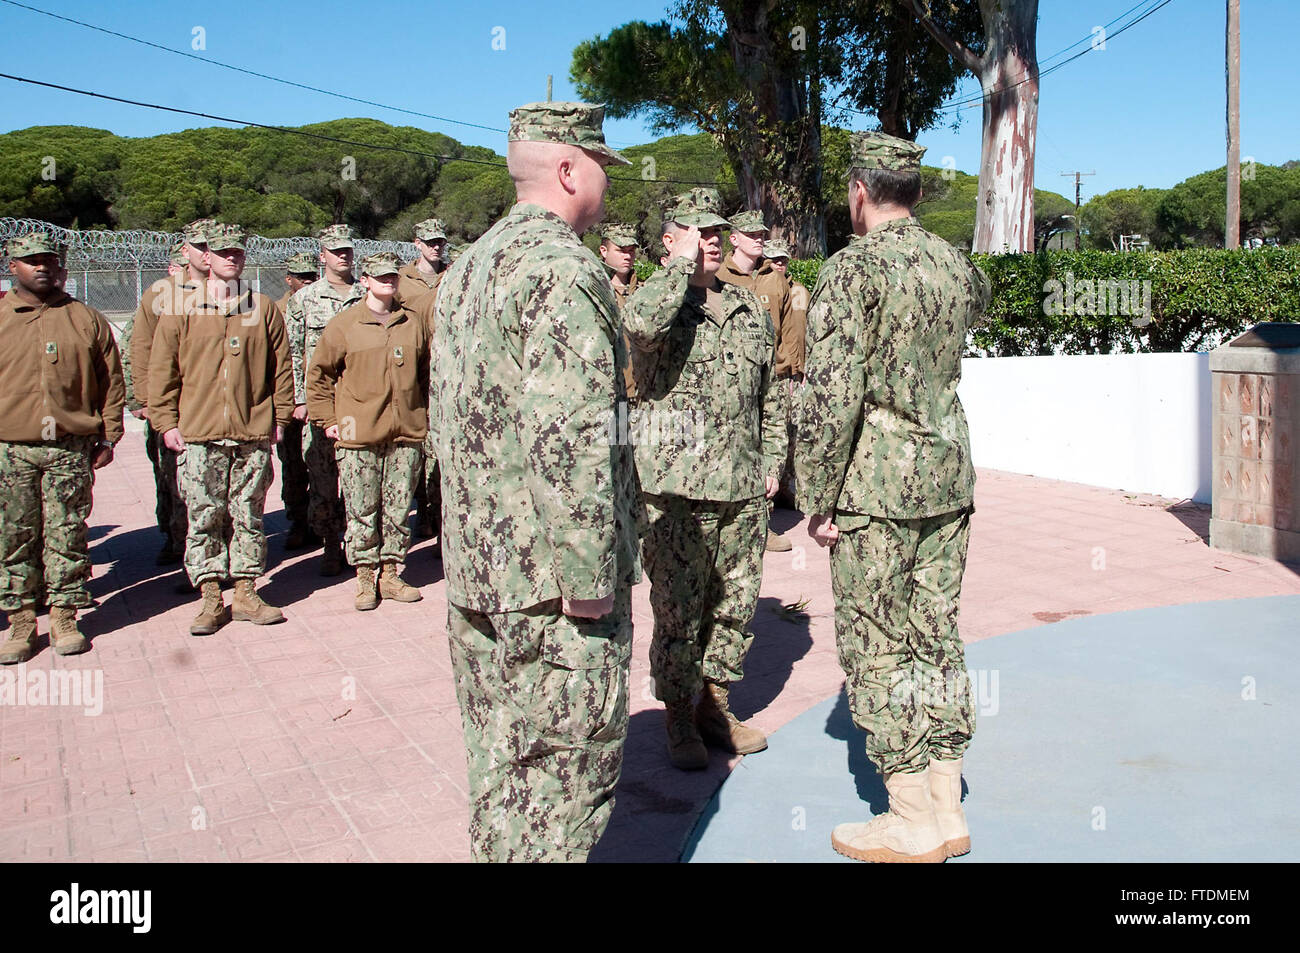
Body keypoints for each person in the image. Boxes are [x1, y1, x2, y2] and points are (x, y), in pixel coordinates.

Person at [434, 101, 641, 862]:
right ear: (567, 169)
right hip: (554, 586)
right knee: (565, 776)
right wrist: (589, 575)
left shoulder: (468, 268)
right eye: (599, 170)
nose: (606, 187)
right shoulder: (563, 268)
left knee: (500, 765)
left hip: (478, 571)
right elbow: (575, 439)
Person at [796, 131, 991, 863]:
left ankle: (908, 815)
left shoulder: (851, 271)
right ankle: (947, 803)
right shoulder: (955, 265)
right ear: (913, 191)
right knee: (936, 633)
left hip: (877, 487)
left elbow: (831, 397)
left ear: (858, 191)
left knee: (878, 645)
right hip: (948, 476)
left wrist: (816, 493)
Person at [622, 188, 784, 770]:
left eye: (717, 232)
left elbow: (773, 394)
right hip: (676, 488)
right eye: (697, 231)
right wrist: (678, 270)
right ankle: (678, 715)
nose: (711, 240)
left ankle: (715, 705)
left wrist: (772, 460)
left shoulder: (748, 310)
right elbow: (640, 330)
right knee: (678, 608)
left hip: (741, 485)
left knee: (733, 605)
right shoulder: (652, 302)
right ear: (670, 241)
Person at [150, 223, 295, 636]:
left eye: (238, 253)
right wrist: (165, 422)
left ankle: (247, 591)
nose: (231, 258)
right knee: (204, 515)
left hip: (251, 431)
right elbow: (163, 371)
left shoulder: (262, 308)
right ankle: (211, 596)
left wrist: (279, 418)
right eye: (223, 252)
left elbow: (280, 369)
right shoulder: (181, 308)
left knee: (248, 514)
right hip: (199, 432)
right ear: (206, 258)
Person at [0, 232, 125, 663]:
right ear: (11, 264)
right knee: (14, 535)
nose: (41, 267)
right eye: (29, 260)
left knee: (67, 532)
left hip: (69, 447)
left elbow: (111, 382)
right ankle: (19, 621)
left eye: (48, 261)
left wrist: (108, 434)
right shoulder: (0, 316)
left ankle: (64, 614)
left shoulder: (84, 319)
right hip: (10, 449)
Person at [306, 252, 428, 611]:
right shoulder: (345, 325)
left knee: (397, 509)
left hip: (405, 431)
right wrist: (327, 419)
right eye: (380, 277)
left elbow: (425, 372)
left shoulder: (412, 323)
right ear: (365, 281)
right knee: (362, 508)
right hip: (359, 432)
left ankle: (391, 572)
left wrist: (423, 415)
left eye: (392, 277)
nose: (388, 282)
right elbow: (320, 375)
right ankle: (364, 576)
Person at [125, 221, 212, 566]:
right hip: (173, 404)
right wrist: (143, 400)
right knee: (173, 477)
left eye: (213, 246)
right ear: (186, 249)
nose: (208, 253)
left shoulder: (237, 294)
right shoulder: (161, 293)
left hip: (215, 404)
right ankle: (179, 541)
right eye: (200, 246)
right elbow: (141, 346)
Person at [285, 225, 363, 576]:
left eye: (347, 250)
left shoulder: (366, 293)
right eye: (335, 251)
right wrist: (299, 400)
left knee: (357, 477)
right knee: (321, 476)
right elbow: (291, 352)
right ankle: (330, 543)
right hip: (320, 402)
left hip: (358, 401)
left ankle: (355, 545)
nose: (342, 256)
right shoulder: (305, 299)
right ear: (322, 256)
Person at [716, 210, 795, 552]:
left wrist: (790, 368)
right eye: (752, 235)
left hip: (771, 376)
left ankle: (763, 523)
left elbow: (789, 327)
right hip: (729, 379)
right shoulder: (717, 275)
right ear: (733, 239)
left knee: (769, 449)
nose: (760, 239)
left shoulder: (773, 277)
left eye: (762, 234)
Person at [399, 219, 448, 545]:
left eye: (440, 242)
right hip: (413, 376)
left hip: (446, 376)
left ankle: (442, 523)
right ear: (417, 243)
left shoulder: (455, 274)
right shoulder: (400, 281)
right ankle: (423, 515)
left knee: (442, 453)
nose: (436, 247)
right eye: (429, 242)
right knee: (413, 452)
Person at [276, 252, 320, 551]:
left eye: (310, 275)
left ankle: (322, 522)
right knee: (293, 466)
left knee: (320, 465)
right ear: (288, 278)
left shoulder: (319, 302)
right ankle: (298, 521)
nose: (306, 280)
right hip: (288, 399)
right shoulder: (276, 310)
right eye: (300, 276)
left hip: (317, 399)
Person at [759, 238, 806, 511]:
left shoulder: (799, 291)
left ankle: (787, 484)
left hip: (798, 372)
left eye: (783, 259)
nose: (779, 264)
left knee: (794, 430)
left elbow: (803, 330)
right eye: (773, 259)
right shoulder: (763, 288)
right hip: (775, 371)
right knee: (774, 430)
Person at [597, 223, 641, 402]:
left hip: (643, 392)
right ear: (603, 251)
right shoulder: (596, 291)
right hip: (610, 394)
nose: (627, 256)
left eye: (631, 251)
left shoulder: (644, 290)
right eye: (621, 250)